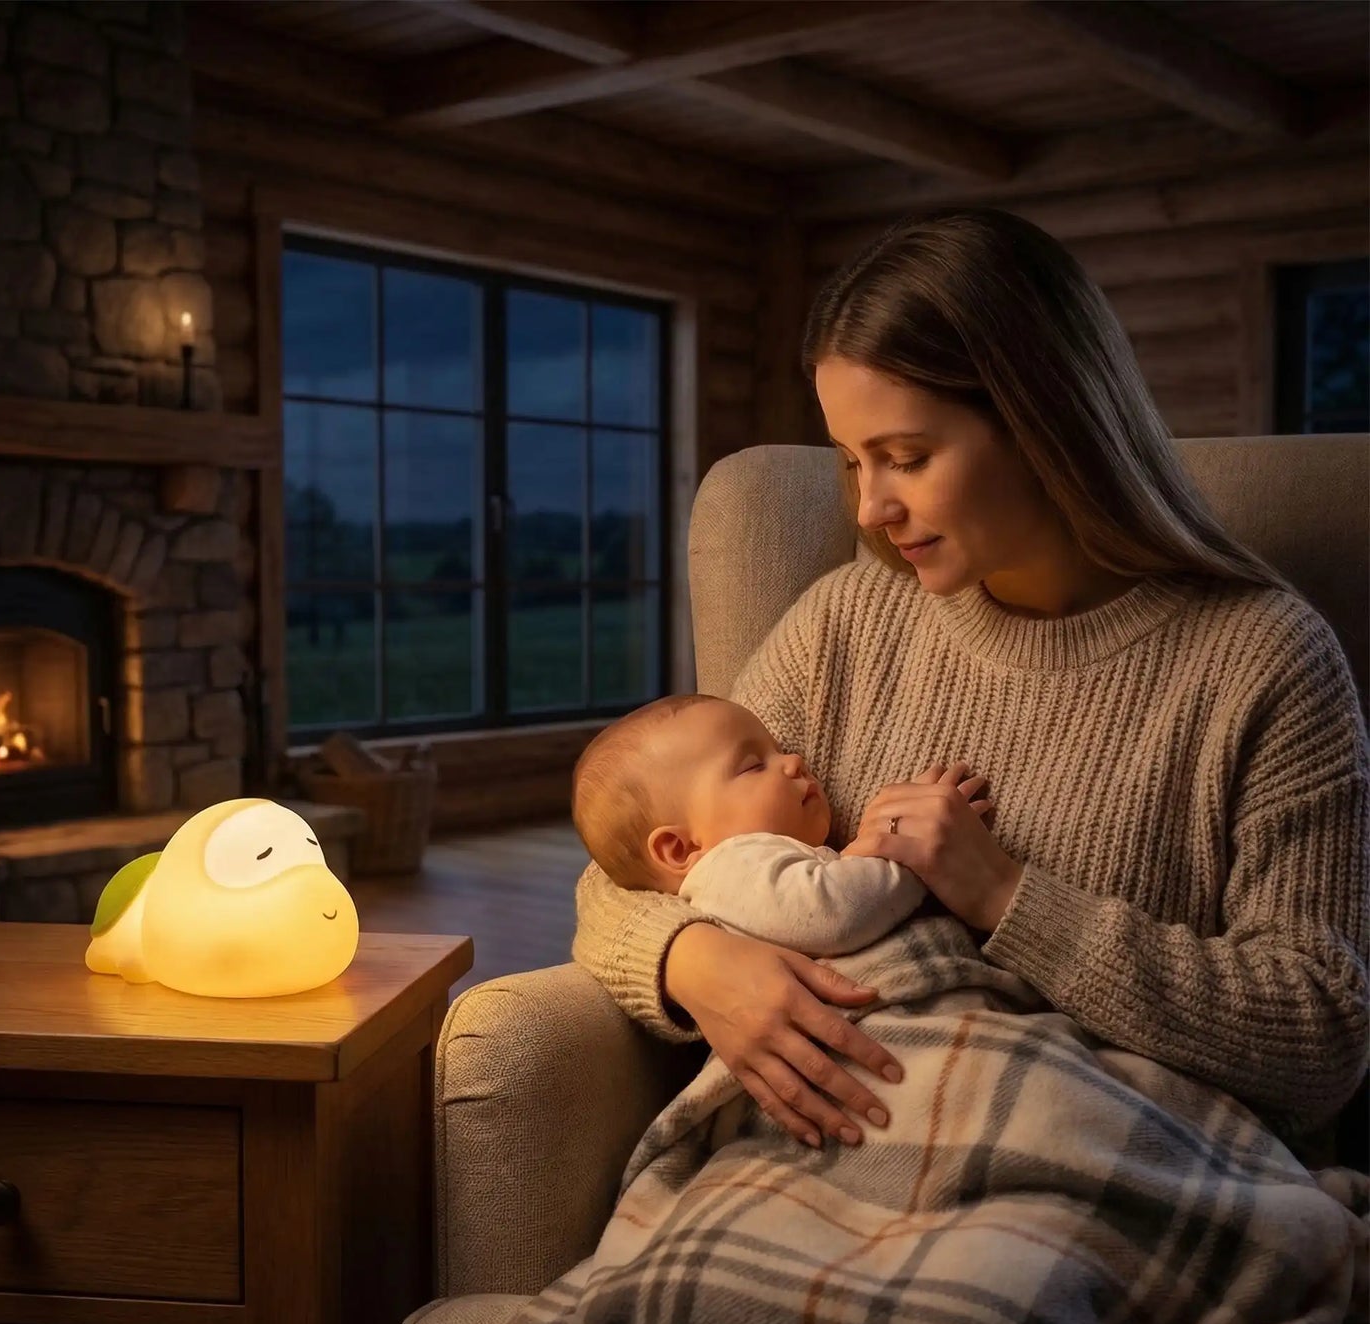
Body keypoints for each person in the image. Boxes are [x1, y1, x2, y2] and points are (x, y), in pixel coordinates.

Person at [571, 205, 1368, 1158]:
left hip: (1105, 1163)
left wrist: (1004, 894)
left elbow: (1319, 1034)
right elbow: (638, 859)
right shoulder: (846, 622)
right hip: (853, 1154)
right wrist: (696, 961)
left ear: (1043, 421)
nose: (872, 506)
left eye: (905, 456)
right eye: (853, 460)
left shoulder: (1263, 661)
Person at [572, 690, 994, 951]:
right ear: (681, 849)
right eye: (754, 766)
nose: (794, 761)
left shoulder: (761, 867)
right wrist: (902, 846)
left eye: (780, 748)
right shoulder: (728, 868)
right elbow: (833, 914)